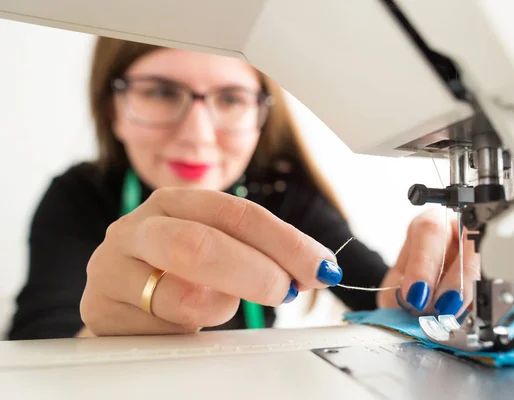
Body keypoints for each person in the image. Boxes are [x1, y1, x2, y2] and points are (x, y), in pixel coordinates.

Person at [8, 37, 479, 340]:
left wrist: (436, 271)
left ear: (260, 119)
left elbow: (379, 293)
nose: (196, 134)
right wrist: (97, 336)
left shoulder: (285, 197)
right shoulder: (78, 195)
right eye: (160, 91)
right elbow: (35, 344)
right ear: (113, 109)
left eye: (230, 99)